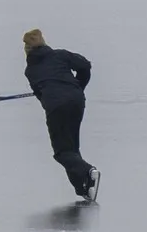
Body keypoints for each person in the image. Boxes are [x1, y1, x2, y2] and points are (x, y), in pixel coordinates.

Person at [21, 28, 99, 201]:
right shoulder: (61, 55)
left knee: (62, 152)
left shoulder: (31, 71)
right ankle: (83, 188)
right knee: (71, 148)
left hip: (56, 106)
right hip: (77, 100)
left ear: (27, 50)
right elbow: (85, 66)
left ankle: (88, 171)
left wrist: (48, 94)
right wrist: (78, 86)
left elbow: (41, 97)